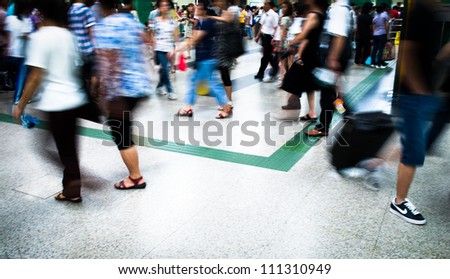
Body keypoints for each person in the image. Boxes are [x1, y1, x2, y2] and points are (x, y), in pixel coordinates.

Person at [13, 0, 90, 203]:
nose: (36, 15)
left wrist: (20, 104)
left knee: (47, 148)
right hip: (74, 99)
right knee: (68, 148)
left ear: (43, 13)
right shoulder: (68, 35)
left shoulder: (41, 37)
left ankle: (82, 181)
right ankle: (72, 190)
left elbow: (35, 75)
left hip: (56, 102)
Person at [389, 0, 445, 225]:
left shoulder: (432, 11)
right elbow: (407, 52)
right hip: (415, 95)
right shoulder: (421, 10)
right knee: (413, 151)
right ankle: (399, 202)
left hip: (423, 94)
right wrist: (419, 88)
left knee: (413, 145)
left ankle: (375, 162)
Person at [93, 0, 153, 190]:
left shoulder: (104, 26)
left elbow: (110, 61)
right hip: (139, 84)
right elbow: (147, 40)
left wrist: (103, 89)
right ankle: (133, 147)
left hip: (121, 90)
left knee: (121, 135)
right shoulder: (129, 20)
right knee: (124, 127)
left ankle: (135, 178)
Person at [175, 1, 232, 119]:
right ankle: (188, 107)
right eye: (196, 8)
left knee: (212, 84)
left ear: (204, 10)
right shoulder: (200, 22)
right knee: (193, 81)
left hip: (208, 59)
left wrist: (177, 50)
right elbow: (193, 38)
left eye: (199, 8)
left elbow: (195, 39)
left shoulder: (207, 22)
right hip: (203, 58)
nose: (196, 10)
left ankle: (226, 107)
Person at [305, 0, 352, 137]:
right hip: (335, 55)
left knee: (328, 95)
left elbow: (340, 36)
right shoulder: (339, 7)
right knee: (332, 94)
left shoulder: (339, 9)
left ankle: (332, 124)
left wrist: (333, 58)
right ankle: (348, 117)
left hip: (335, 55)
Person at [280, 0, 326, 122]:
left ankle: (293, 103)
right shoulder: (321, 14)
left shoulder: (313, 15)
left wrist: (292, 43)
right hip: (314, 51)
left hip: (309, 53)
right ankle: (312, 112)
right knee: (309, 83)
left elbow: (304, 35)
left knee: (292, 78)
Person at [150, 0, 178, 100]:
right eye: (162, 5)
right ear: (159, 7)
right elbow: (152, 35)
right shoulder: (155, 20)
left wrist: (174, 49)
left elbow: (176, 36)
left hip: (169, 48)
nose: (165, 7)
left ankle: (159, 86)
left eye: (167, 5)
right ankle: (170, 91)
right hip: (159, 48)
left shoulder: (172, 21)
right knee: (165, 69)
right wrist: (154, 49)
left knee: (164, 70)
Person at [254, 1, 279, 81]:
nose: (264, 5)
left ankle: (260, 73)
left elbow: (276, 28)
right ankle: (276, 69)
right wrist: (258, 36)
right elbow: (262, 26)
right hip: (264, 37)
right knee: (268, 56)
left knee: (265, 57)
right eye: (264, 4)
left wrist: (274, 38)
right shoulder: (264, 14)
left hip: (270, 38)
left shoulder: (274, 15)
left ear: (270, 5)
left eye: (266, 4)